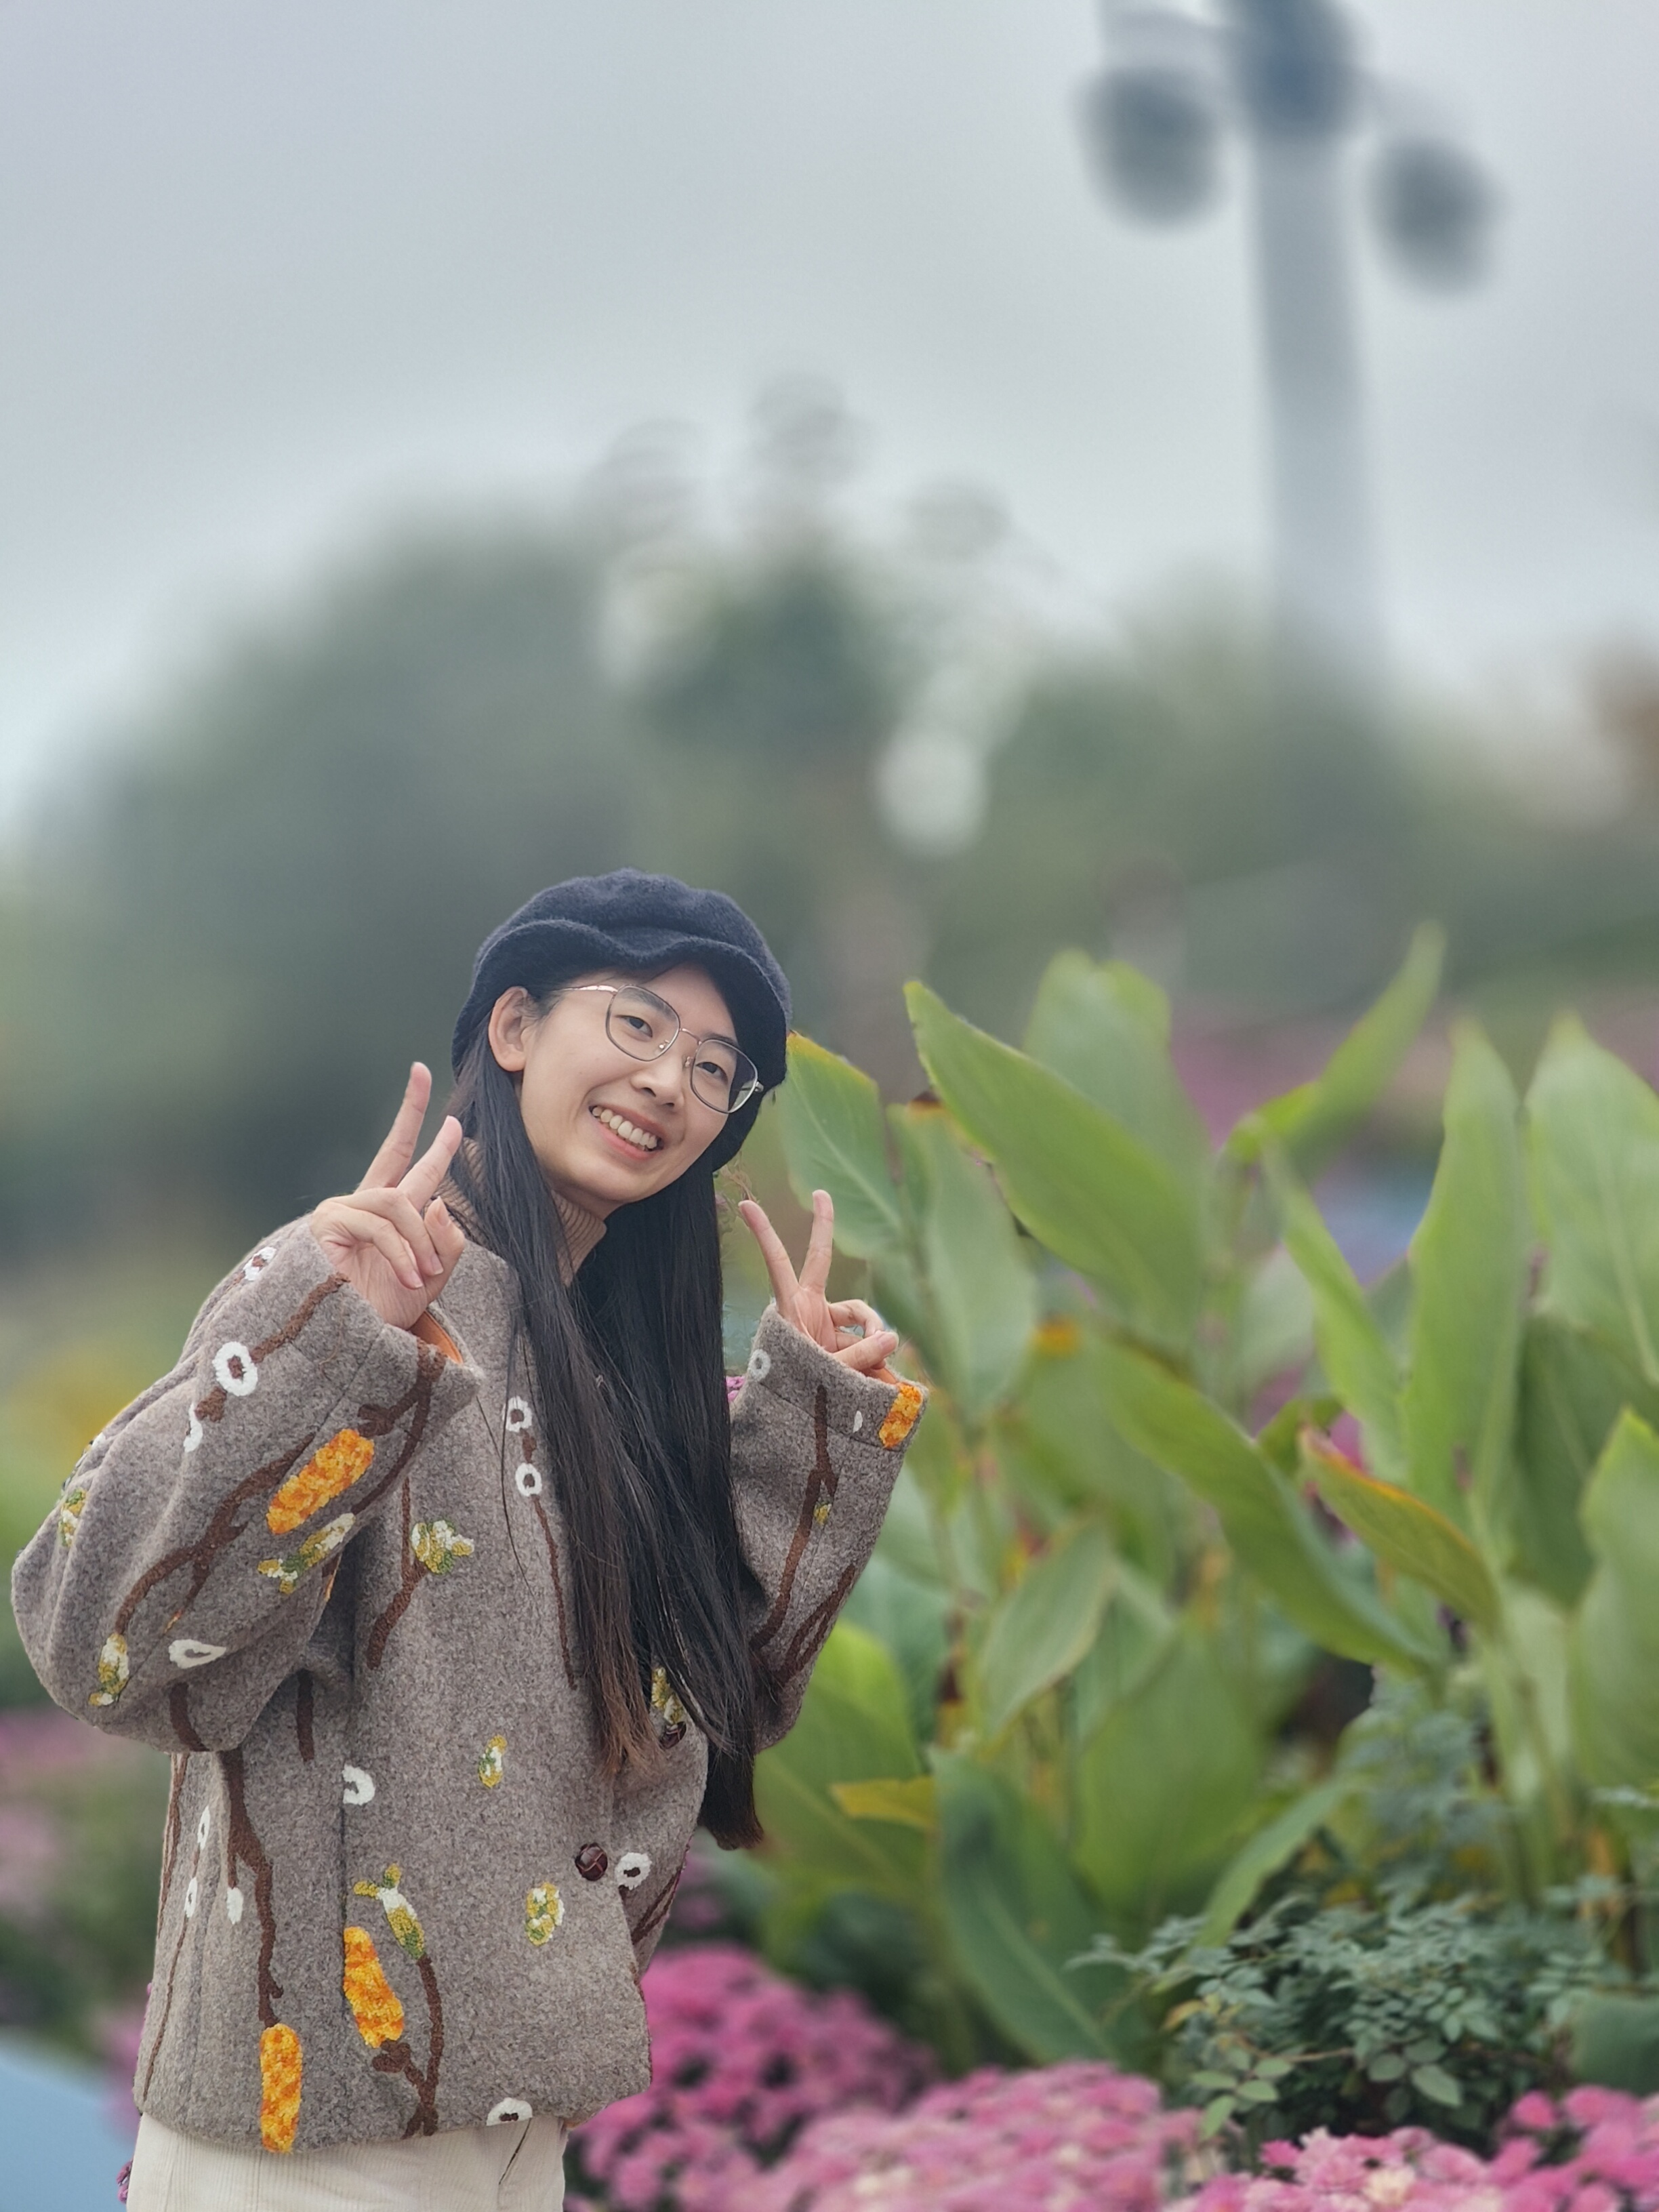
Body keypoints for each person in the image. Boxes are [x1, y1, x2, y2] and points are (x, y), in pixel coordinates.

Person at [12, 869, 925, 2211]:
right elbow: (102, 1644)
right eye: (637, 1024)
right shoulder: (354, 1284)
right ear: (512, 1028)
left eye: (713, 1069)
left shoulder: (608, 1373)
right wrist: (331, 1347)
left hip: (511, 2128)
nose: (669, 1083)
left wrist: (812, 1429)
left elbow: (715, 1707)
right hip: (314, 2131)